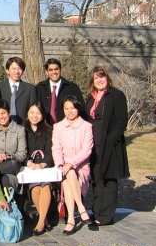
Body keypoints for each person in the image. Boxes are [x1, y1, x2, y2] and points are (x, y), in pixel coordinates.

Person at [86, 67, 129, 226]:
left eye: (101, 77)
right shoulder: (90, 97)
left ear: (107, 78)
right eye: (96, 78)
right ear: (92, 81)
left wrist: (110, 142)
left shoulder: (116, 95)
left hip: (110, 145)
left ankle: (105, 216)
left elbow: (121, 121)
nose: (99, 80)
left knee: (109, 180)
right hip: (93, 145)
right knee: (96, 178)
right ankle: (96, 211)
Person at [52, 95, 93, 235]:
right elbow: (56, 149)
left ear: (78, 109)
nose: (70, 111)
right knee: (68, 174)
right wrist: (60, 164)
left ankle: (71, 219)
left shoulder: (87, 127)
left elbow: (86, 151)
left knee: (69, 177)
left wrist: (71, 163)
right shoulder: (58, 127)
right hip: (63, 167)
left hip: (81, 167)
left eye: (73, 108)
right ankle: (81, 209)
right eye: (66, 108)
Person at [23, 102, 55, 235]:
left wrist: (42, 164)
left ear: (42, 115)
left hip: (45, 167)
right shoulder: (22, 130)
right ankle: (45, 220)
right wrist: (29, 162)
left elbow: (50, 151)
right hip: (29, 168)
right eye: (32, 112)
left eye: (38, 113)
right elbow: (22, 151)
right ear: (27, 113)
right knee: (35, 187)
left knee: (45, 186)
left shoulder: (48, 130)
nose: (34, 116)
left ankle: (40, 222)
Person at [36, 58, 86, 125]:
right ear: (46, 72)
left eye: (56, 69)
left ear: (60, 70)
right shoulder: (40, 87)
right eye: (51, 70)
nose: (54, 72)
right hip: (45, 129)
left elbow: (81, 109)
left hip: (66, 128)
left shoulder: (72, 88)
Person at [0, 57, 37, 124]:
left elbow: (33, 109)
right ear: (7, 70)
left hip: (24, 126)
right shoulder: (0, 88)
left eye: (20, 69)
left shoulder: (30, 89)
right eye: (14, 69)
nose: (17, 72)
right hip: (4, 126)